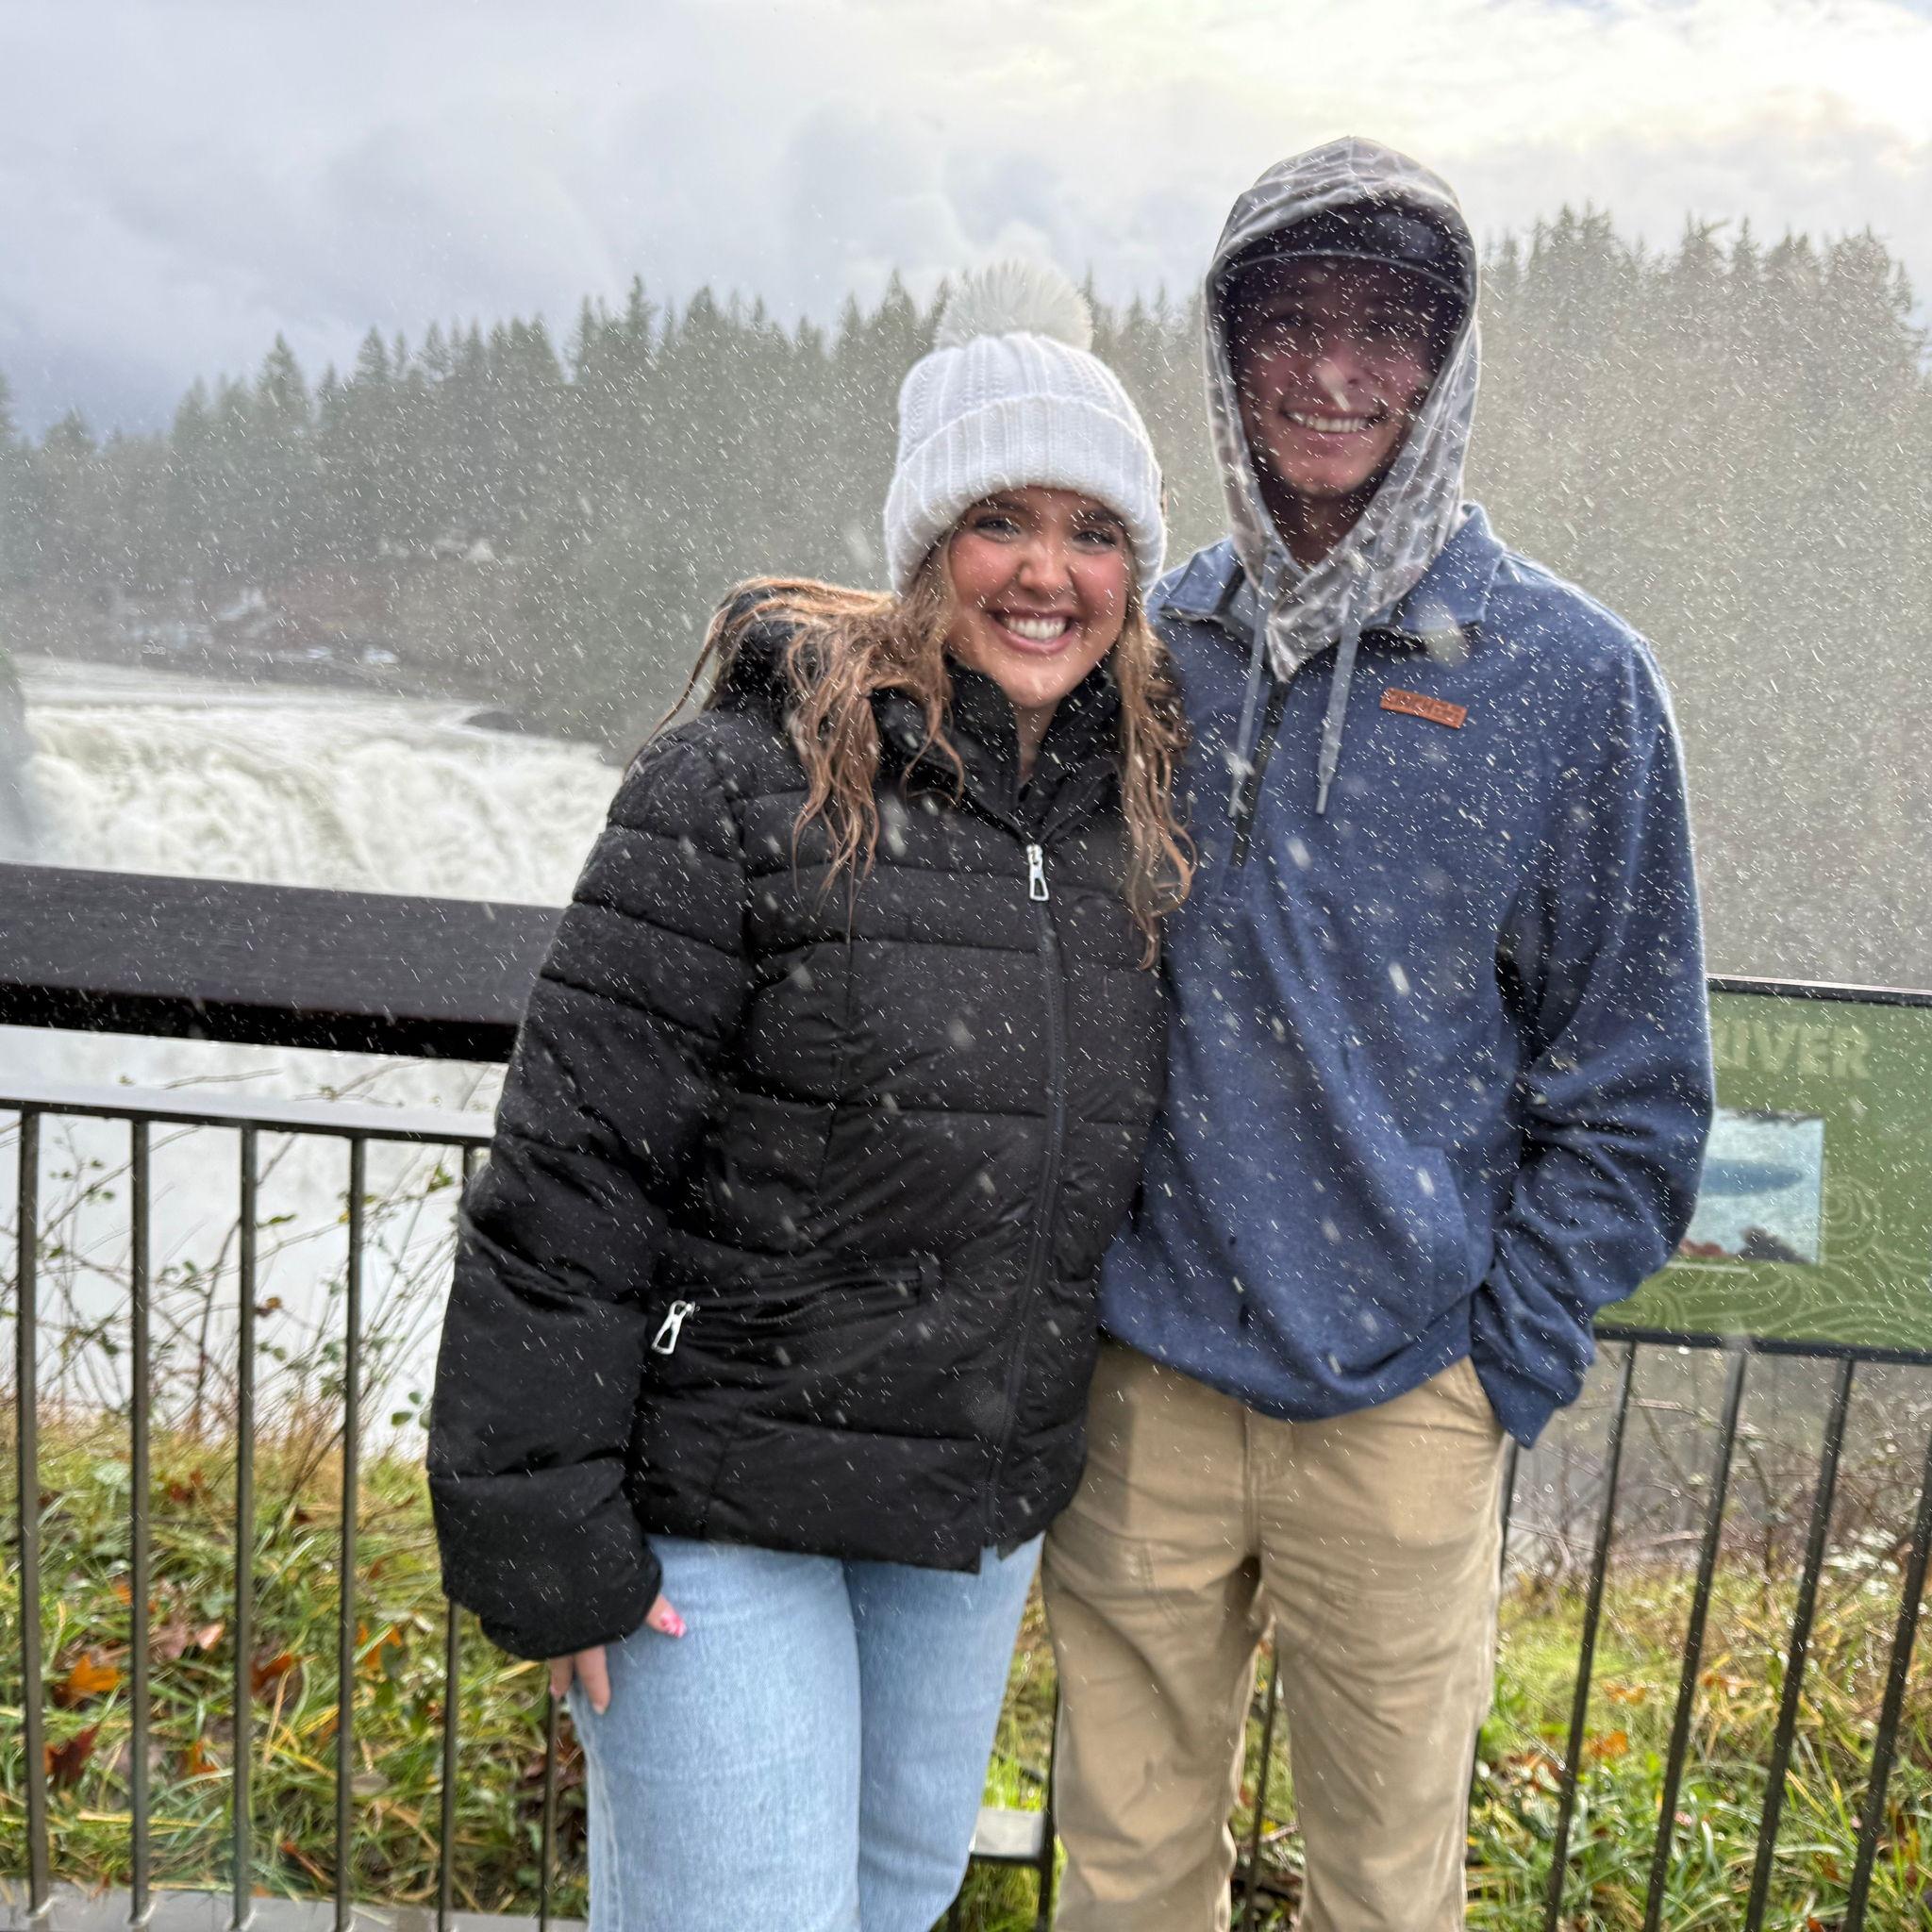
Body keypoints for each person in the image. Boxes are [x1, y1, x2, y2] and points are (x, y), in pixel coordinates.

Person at [427, 261, 1190, 1932]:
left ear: (1138, 569)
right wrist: (540, 1521)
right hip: (722, 1502)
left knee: (889, 1903)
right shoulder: (741, 782)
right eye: (1003, 519)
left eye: (1097, 529)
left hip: (960, 1520)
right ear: (927, 545)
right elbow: (573, 1167)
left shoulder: (1129, 823)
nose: (1049, 571)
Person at [1041, 138, 1714, 1932]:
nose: (1334, 371)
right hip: (1146, 1387)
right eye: (1290, 324)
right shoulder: (1149, 648)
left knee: (1387, 1895)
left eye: (1384, 330)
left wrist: (1497, 1362)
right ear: (1229, 352)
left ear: (1445, 365)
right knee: (1117, 1881)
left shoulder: (1572, 682)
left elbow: (1638, 1088)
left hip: (1409, 1403)